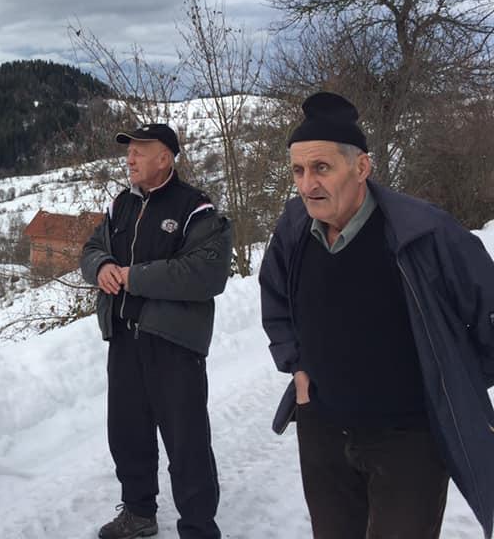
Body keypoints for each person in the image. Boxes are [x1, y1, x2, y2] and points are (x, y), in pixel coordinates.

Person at [260, 91, 494, 538]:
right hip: (324, 432)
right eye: (298, 170)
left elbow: (488, 311)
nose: (308, 184)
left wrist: (452, 383)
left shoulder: (423, 233)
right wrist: (297, 365)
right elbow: (275, 298)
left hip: (409, 441)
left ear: (361, 167)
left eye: (321, 168)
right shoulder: (294, 226)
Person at [81, 123, 232, 539]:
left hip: (173, 344)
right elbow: (91, 249)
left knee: (186, 442)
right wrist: (102, 268)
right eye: (128, 151)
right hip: (125, 338)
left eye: (139, 151)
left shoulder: (196, 209)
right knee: (127, 433)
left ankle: (199, 527)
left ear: (165, 157)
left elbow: (204, 274)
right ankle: (138, 512)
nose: (129, 159)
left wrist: (132, 277)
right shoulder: (121, 205)